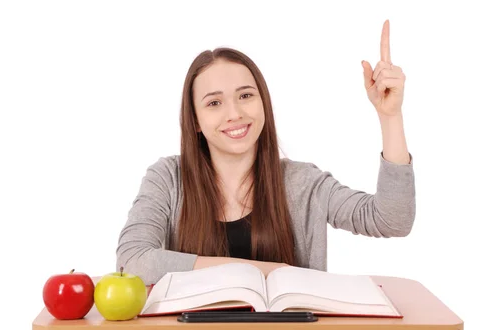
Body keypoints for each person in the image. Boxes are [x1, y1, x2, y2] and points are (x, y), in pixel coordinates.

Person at [116, 20, 415, 286]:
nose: (234, 113)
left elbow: (392, 219)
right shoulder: (168, 179)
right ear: (194, 119)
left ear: (263, 104)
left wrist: (390, 116)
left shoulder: (302, 182)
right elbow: (132, 261)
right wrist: (261, 272)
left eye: (245, 95)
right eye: (214, 103)